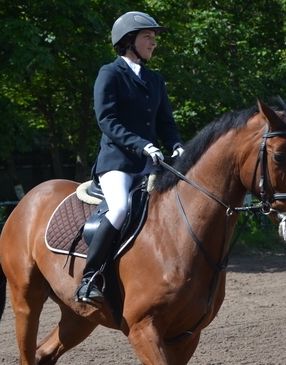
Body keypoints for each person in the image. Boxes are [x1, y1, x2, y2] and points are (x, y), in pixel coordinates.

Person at [75, 11, 184, 305]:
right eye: (148, 36)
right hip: (118, 163)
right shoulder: (109, 74)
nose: (153, 42)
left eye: (154, 37)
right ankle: (90, 278)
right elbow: (107, 121)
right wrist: (141, 145)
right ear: (128, 41)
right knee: (120, 208)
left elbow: (166, 123)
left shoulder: (155, 80)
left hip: (152, 162)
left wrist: (176, 144)